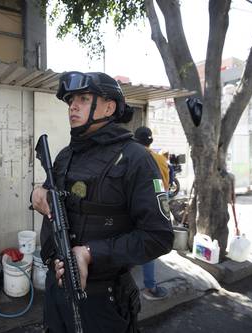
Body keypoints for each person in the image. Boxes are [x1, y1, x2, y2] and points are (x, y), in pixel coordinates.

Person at [31, 71, 174, 332]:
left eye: (84, 99)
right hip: (56, 290)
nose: (73, 106)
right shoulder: (65, 155)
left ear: (109, 107)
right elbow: (53, 195)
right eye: (71, 100)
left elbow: (159, 236)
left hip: (102, 299)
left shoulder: (135, 158)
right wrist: (37, 193)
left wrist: (89, 253)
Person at [133, 126, 169, 301]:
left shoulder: (128, 156)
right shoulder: (160, 159)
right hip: (153, 207)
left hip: (129, 207)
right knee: (149, 246)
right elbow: (165, 187)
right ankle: (150, 287)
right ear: (150, 141)